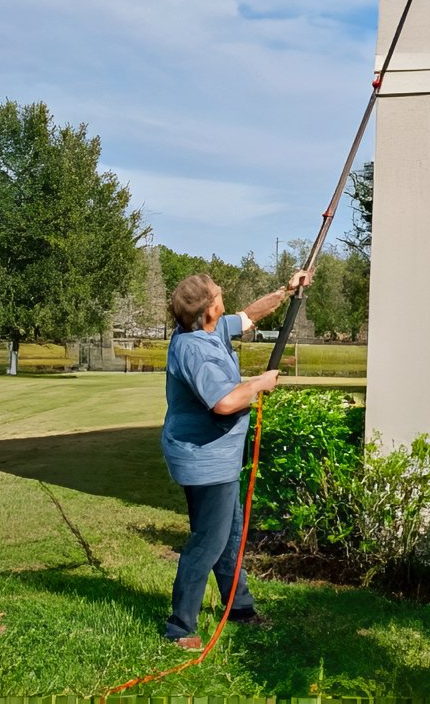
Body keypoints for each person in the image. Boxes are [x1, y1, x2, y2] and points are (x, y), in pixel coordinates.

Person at [161, 268, 311, 649]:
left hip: (216, 458)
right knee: (209, 542)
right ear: (208, 309)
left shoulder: (206, 330)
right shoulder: (193, 350)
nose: (222, 297)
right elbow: (224, 402)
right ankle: (180, 627)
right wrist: (260, 384)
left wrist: (286, 290)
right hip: (204, 460)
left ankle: (240, 607)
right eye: (218, 295)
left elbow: (249, 316)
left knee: (228, 536)